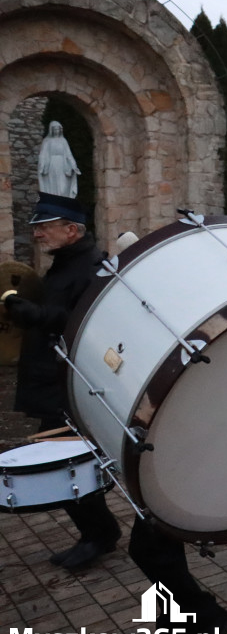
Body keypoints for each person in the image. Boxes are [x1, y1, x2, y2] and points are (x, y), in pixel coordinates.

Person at [3, 193, 121, 569]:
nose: (38, 234)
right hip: (53, 378)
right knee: (67, 459)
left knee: (67, 460)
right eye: (37, 227)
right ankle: (97, 533)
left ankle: (99, 534)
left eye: (45, 227)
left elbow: (82, 321)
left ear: (71, 230)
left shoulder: (91, 267)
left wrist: (34, 314)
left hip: (68, 383)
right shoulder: (68, 263)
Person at [37, 121, 81, 198]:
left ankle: (62, 198)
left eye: (58, 129)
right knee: (52, 183)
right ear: (52, 130)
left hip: (62, 165)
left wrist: (74, 166)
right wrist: (41, 165)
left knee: (62, 185)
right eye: (55, 129)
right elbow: (43, 154)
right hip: (51, 165)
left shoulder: (63, 141)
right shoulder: (47, 141)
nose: (57, 131)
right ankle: (53, 199)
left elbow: (69, 155)